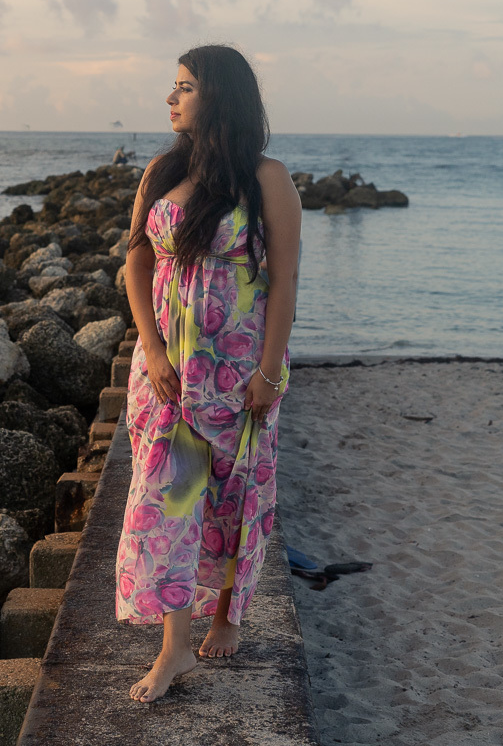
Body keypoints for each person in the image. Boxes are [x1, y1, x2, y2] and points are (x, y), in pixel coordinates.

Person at [115, 44, 302, 703]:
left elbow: (283, 283)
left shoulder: (267, 180)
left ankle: (225, 614)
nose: (171, 98)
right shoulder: (161, 173)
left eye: (185, 87)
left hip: (239, 375)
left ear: (218, 97)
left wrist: (271, 373)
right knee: (167, 503)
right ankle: (173, 648)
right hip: (168, 379)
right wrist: (155, 351)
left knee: (233, 502)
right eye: (173, 86)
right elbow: (136, 266)